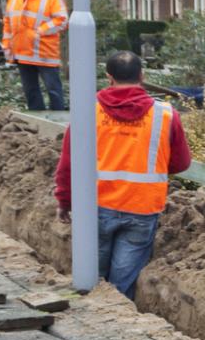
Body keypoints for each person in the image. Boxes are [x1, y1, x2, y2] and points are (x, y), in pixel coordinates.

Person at [53, 51, 191, 299]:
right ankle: (116, 323)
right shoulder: (166, 114)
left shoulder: (88, 110)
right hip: (142, 206)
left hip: (97, 205)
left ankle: (89, 319)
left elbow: (69, 162)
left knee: (91, 277)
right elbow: (181, 162)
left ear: (109, 78)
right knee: (121, 286)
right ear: (142, 76)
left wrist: (64, 200)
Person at [4, 0, 68, 112]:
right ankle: (37, 121)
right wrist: (6, 45)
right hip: (22, 52)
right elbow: (8, 22)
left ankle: (59, 121)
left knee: (54, 90)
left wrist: (40, 32)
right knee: (30, 90)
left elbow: (62, 20)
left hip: (44, 52)